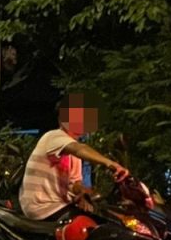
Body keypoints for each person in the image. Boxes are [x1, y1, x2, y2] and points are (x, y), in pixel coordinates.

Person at [19, 93, 129, 221]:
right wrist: (110, 163)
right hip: (42, 207)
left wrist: (83, 192)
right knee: (95, 224)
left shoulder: (73, 153)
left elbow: (74, 183)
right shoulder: (54, 137)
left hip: (59, 204)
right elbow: (79, 149)